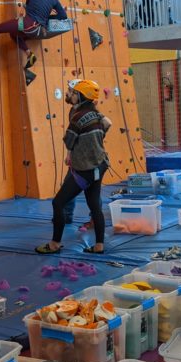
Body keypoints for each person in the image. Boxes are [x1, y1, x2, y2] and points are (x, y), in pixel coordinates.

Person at [36, 80, 111, 255]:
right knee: (94, 206)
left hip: (84, 169)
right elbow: (107, 124)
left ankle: (54, 244)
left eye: (72, 92)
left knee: (58, 203)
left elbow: (69, 140)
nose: (69, 94)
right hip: (99, 165)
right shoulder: (97, 115)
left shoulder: (77, 117)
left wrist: (74, 151)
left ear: (80, 96)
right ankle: (99, 245)